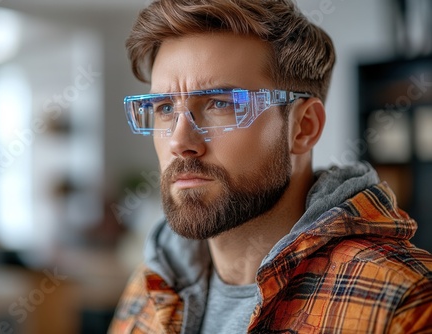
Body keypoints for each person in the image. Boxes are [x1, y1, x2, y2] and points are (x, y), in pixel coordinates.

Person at [108, 0, 432, 333]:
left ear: (303, 127)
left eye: (221, 104)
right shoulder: (150, 288)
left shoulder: (403, 303)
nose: (179, 142)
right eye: (164, 107)